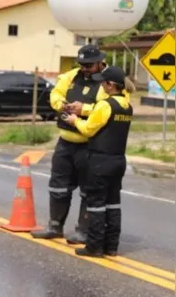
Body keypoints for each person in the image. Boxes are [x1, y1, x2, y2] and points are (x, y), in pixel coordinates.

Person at [31, 44, 130, 244]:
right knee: (58, 186)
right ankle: (54, 226)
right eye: (82, 64)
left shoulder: (109, 81)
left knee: (88, 190)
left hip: (90, 146)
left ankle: (84, 231)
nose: (85, 68)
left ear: (100, 62)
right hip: (66, 142)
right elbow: (55, 94)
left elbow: (115, 104)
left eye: (89, 65)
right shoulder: (71, 76)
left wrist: (83, 109)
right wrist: (63, 105)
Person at [61, 66, 133, 257]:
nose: (101, 84)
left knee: (96, 204)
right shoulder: (126, 105)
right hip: (118, 160)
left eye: (103, 82)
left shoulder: (105, 105)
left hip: (100, 160)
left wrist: (74, 120)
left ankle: (94, 246)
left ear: (110, 85)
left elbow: (89, 129)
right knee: (113, 203)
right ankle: (111, 246)